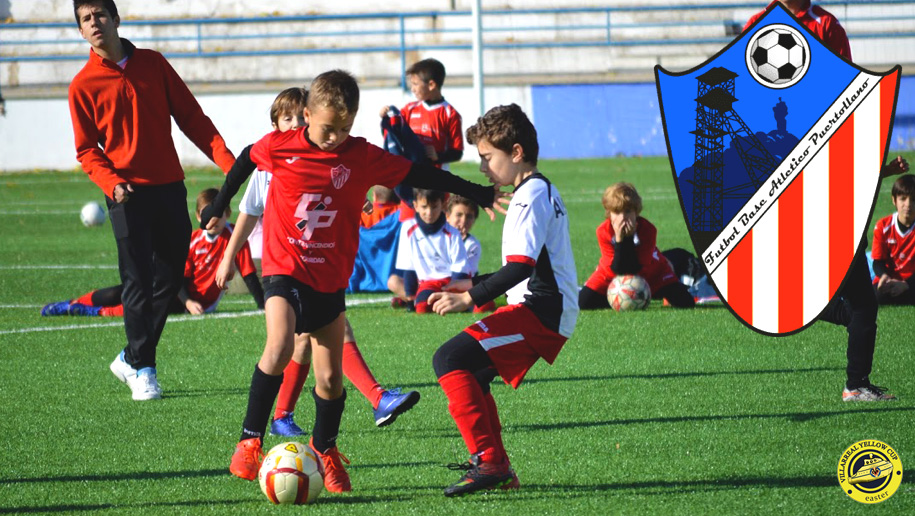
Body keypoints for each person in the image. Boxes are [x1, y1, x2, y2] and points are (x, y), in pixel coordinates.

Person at [201, 70, 499, 492]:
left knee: (329, 380)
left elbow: (421, 173)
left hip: (330, 278)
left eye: (345, 128)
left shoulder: (360, 155)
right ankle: (250, 441)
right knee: (280, 342)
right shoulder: (281, 146)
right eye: (326, 129)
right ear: (305, 115)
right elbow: (248, 155)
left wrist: (479, 192)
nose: (335, 137)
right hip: (284, 268)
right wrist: (219, 202)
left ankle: (325, 450)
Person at [214, 88, 419, 436]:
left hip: (316, 265)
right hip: (284, 263)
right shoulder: (269, 164)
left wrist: (353, 199)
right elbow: (249, 212)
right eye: (286, 118)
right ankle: (374, 397)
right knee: (307, 339)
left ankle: (284, 415)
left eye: (298, 116)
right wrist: (228, 256)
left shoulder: (321, 156)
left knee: (306, 344)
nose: (294, 123)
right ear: (275, 124)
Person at [68, 0, 235, 401]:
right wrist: (112, 183)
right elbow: (87, 150)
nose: (95, 23)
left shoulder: (154, 64)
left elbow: (193, 118)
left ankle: (130, 355)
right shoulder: (82, 85)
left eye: (100, 15)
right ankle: (144, 369)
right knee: (137, 281)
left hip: (168, 187)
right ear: (81, 30)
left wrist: (230, 163)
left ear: (116, 19)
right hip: (125, 195)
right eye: (86, 19)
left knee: (171, 276)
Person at [746, 0, 910, 402]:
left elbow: (847, 93)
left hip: (817, 182)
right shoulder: (760, 24)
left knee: (856, 302)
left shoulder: (826, 25)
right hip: (812, 187)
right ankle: (855, 384)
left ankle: (848, 367)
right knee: (860, 302)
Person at [427, 104, 578, 497]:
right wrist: (469, 284)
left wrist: (469, 298)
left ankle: (489, 461)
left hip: (542, 312)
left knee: (449, 359)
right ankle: (498, 466)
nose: (482, 168)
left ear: (515, 153)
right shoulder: (534, 189)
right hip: (538, 307)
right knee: (473, 374)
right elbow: (519, 267)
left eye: (486, 157)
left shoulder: (531, 195)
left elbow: (522, 268)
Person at [42, 188, 262, 317]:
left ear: (228, 214)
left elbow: (249, 275)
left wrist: (263, 307)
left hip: (196, 304)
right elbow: (179, 277)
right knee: (128, 290)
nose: (213, 220)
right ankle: (73, 303)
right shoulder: (194, 240)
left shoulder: (235, 238)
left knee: (147, 306)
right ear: (197, 217)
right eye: (207, 215)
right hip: (181, 294)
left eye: (218, 214)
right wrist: (187, 301)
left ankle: (94, 312)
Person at [578, 183, 695, 310]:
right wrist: (620, 239)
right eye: (617, 212)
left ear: (636, 212)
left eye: (628, 211)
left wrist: (626, 238)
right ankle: (618, 296)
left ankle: (660, 288)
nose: (623, 218)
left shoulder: (648, 230)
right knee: (582, 303)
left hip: (652, 273)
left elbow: (636, 268)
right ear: (609, 214)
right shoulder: (603, 231)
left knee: (685, 302)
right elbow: (618, 269)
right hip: (610, 273)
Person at [380, 57, 464, 220]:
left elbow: (457, 152)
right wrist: (385, 117)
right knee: (408, 225)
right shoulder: (409, 109)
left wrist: (438, 155)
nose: (412, 88)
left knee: (438, 228)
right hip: (411, 180)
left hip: (438, 183)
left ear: (431, 85)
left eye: (416, 84)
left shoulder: (450, 114)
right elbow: (395, 134)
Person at [391, 188, 471, 313]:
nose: (429, 212)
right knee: (422, 307)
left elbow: (460, 271)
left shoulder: (452, 233)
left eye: (434, 207)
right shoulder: (408, 228)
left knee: (483, 307)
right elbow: (409, 268)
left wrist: (452, 292)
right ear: (415, 206)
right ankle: (415, 300)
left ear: (443, 205)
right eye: (424, 207)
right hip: (427, 284)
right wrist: (411, 297)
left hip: (452, 282)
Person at [446, 195, 497, 312]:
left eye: (469, 216)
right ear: (447, 216)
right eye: (459, 215)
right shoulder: (438, 238)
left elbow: (464, 273)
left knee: (486, 305)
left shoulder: (472, 244)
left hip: (462, 284)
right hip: (440, 282)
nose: (463, 221)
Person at [872, 174, 915, 305]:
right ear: (894, 200)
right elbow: (877, 262)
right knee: (872, 296)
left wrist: (906, 284)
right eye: (903, 199)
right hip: (891, 281)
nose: (908, 204)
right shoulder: (882, 226)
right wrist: (884, 276)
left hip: (911, 282)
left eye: (913, 200)